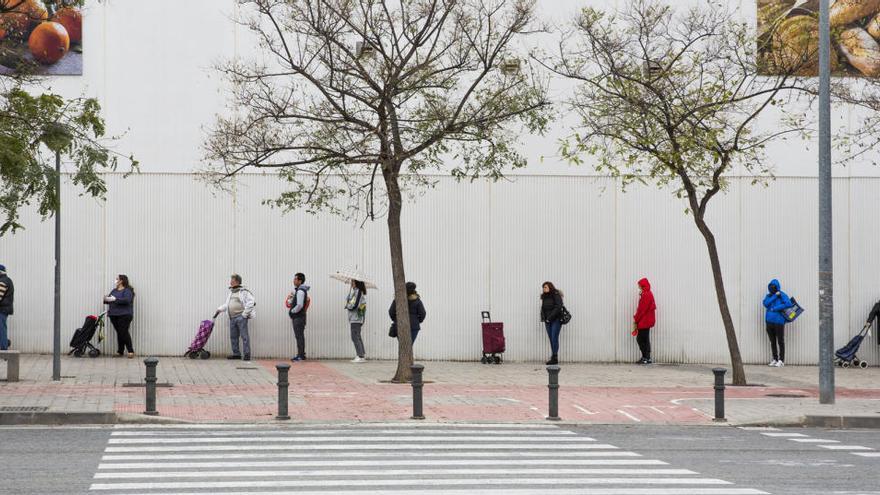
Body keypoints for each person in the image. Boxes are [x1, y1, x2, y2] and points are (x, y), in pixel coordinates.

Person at [217, 274, 256, 361]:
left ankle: (247, 354)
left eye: (232, 280)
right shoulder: (231, 292)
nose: (230, 282)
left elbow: (251, 302)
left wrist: (244, 315)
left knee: (244, 336)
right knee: (233, 337)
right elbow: (227, 305)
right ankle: (236, 354)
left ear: (237, 282)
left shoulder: (244, 291)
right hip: (232, 318)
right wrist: (219, 309)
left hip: (241, 317)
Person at [104, 274, 136, 358]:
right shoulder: (114, 290)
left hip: (124, 315)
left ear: (121, 281)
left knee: (123, 332)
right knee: (120, 333)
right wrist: (106, 299)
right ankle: (120, 351)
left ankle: (130, 351)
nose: (116, 280)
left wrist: (115, 299)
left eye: (117, 279)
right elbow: (109, 300)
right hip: (114, 315)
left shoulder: (127, 290)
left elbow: (127, 300)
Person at [763, 278, 792, 367]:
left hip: (779, 322)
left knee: (780, 341)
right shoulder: (769, 296)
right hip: (769, 322)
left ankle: (781, 360)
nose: (772, 288)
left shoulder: (782, 295)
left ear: (777, 287)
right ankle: (775, 359)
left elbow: (788, 304)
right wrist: (775, 296)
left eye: (774, 287)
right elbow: (765, 304)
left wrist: (775, 308)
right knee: (773, 341)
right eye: (771, 287)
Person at [286, 272, 310, 362]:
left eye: (295, 279)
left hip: (298, 317)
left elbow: (299, 305)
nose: (294, 280)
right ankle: (301, 354)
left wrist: (292, 311)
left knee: (299, 336)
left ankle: (300, 356)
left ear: (300, 281)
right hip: (300, 317)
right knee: (300, 336)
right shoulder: (300, 290)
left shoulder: (300, 291)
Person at [632, 277, 657, 365]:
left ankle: (645, 358)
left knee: (640, 339)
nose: (638, 287)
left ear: (643, 285)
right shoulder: (647, 293)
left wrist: (636, 319)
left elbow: (641, 310)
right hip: (647, 320)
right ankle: (647, 358)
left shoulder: (646, 295)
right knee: (645, 339)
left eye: (639, 285)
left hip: (645, 321)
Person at [540, 281, 564, 365]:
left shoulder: (556, 294)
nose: (544, 289)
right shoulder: (544, 297)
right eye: (543, 287)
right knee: (551, 339)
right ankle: (553, 357)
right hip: (547, 321)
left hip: (556, 320)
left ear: (550, 287)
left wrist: (549, 318)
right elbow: (543, 308)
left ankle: (555, 357)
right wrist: (544, 318)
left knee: (554, 338)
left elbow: (558, 306)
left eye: (545, 287)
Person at [346, 280, 368, 363]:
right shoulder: (356, 292)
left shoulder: (358, 292)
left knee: (354, 336)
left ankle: (360, 356)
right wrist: (349, 299)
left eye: (353, 282)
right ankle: (361, 355)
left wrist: (348, 305)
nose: (351, 284)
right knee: (357, 336)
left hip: (356, 318)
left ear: (357, 283)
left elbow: (355, 305)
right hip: (355, 318)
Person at [0, 265, 13, 351]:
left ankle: (4, 348)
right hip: (4, 309)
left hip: (2, 310)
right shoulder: (7, 280)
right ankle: (5, 342)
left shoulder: (2, 282)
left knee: (2, 329)